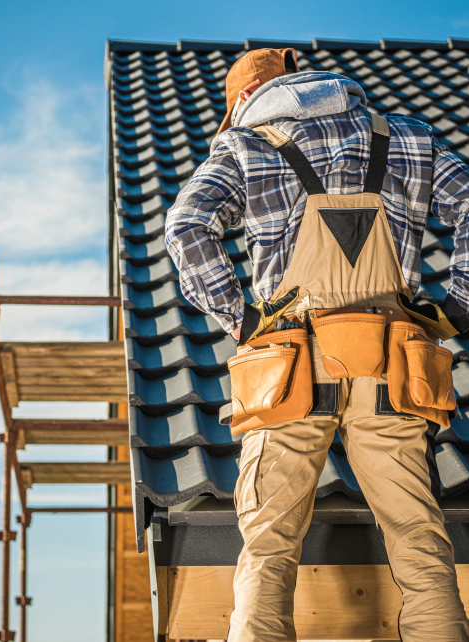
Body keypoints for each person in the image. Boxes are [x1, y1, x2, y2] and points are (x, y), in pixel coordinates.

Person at [165, 47, 469, 642]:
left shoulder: (245, 148)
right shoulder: (410, 139)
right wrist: (458, 305)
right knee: (418, 539)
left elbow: (186, 226)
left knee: (269, 545)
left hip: (288, 371)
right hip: (392, 370)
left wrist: (242, 318)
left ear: (245, 103)